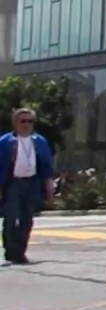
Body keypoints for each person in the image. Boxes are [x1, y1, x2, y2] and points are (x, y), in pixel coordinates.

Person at [1, 108, 55, 265]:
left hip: (32, 183)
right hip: (12, 184)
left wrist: (49, 186)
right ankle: (11, 251)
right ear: (15, 123)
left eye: (30, 121)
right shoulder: (5, 142)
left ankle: (20, 252)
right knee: (11, 218)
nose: (26, 125)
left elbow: (46, 166)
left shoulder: (39, 141)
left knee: (27, 220)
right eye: (23, 121)